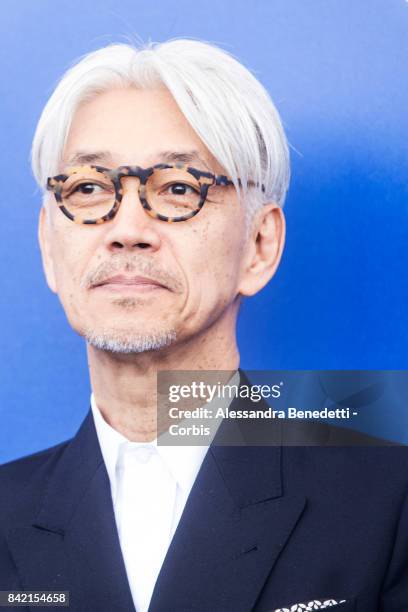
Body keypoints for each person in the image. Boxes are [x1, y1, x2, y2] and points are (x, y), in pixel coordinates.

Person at [0, 39, 407, 612]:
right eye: (89, 188)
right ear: (48, 245)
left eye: (178, 189)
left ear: (259, 246)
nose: (127, 229)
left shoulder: (387, 503)